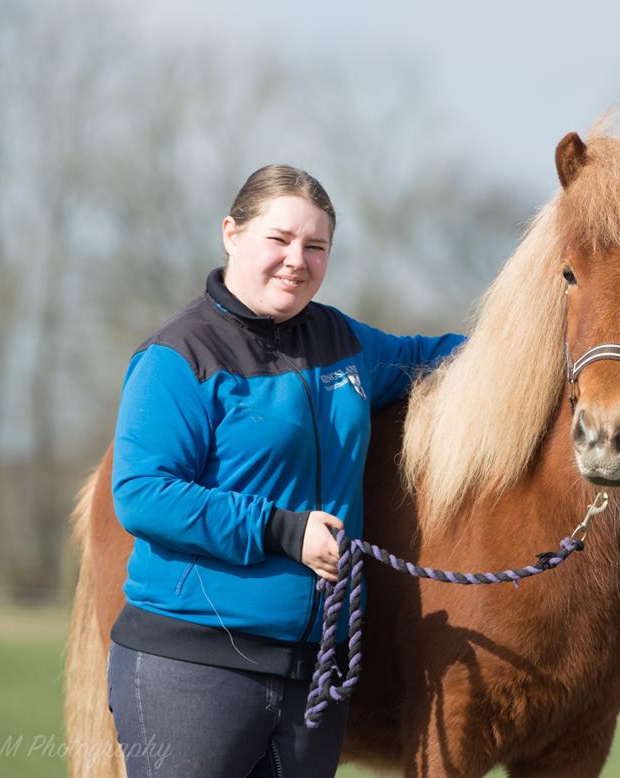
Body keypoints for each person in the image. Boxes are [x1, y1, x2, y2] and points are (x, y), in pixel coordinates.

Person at [105, 164, 463, 777]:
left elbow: (432, 356)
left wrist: (543, 343)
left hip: (312, 677)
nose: (297, 260)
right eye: (280, 239)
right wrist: (284, 531)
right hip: (194, 667)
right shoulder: (178, 356)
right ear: (231, 234)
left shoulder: (345, 343)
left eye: (316, 246)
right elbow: (142, 494)